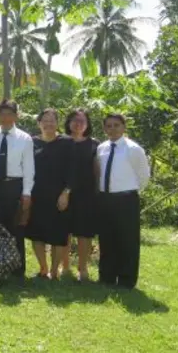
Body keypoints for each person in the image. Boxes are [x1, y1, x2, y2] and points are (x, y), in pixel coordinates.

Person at [97, 113, 150, 289]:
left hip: (126, 199)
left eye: (116, 125)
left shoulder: (133, 149)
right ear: (104, 128)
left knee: (127, 240)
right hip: (105, 199)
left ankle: (126, 280)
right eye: (109, 126)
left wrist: (129, 191)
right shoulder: (101, 148)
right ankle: (107, 276)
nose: (112, 129)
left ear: (124, 127)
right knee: (107, 239)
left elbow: (144, 176)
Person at [0, 99, 34, 274]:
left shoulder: (24, 138)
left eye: (9, 114)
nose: (6, 118)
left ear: (16, 116)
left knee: (16, 228)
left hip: (14, 187)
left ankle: (18, 270)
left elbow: (29, 168)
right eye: (2, 114)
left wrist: (27, 193)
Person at [25, 109, 74, 280]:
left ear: (57, 123)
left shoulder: (67, 143)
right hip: (36, 195)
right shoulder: (32, 142)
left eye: (52, 120)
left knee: (58, 234)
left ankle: (55, 271)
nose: (48, 124)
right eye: (44, 120)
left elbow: (73, 171)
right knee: (36, 232)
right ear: (39, 123)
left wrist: (66, 193)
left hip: (59, 195)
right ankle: (43, 268)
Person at [63, 108, 100, 280]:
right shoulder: (61, 142)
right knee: (64, 231)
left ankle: (83, 268)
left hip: (86, 194)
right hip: (63, 193)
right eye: (75, 120)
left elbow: (97, 171)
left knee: (84, 233)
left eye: (82, 120)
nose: (78, 124)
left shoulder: (94, 145)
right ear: (69, 122)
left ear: (87, 124)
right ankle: (65, 266)